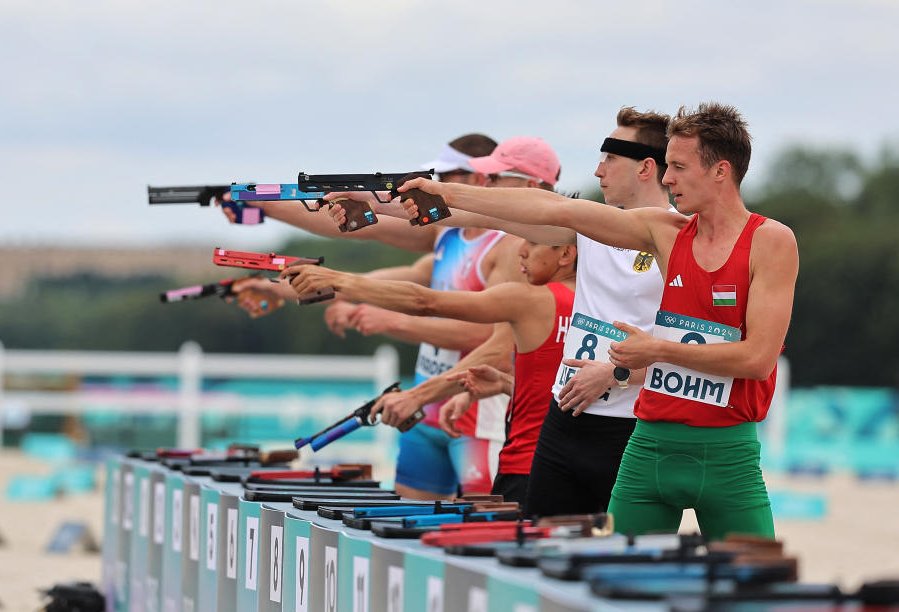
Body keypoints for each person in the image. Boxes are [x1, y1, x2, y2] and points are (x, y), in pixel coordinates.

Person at [397, 103, 798, 539]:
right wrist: (446, 194)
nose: (668, 177)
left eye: (679, 167)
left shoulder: (770, 240)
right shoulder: (662, 230)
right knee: (582, 574)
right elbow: (553, 210)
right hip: (645, 443)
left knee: (750, 587)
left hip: (722, 449)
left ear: (721, 171)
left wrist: (645, 358)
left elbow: (758, 359)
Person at [348, 108, 676, 518]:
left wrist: (618, 373)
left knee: (619, 556)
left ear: (646, 167)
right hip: (566, 419)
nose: (597, 171)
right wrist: (369, 201)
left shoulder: (682, 236)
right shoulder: (594, 226)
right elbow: (482, 214)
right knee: (534, 552)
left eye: (609, 159)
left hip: (634, 427)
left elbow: (696, 353)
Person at [224, 134, 531, 500]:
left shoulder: (508, 247)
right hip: (423, 408)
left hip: (475, 415)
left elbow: (486, 338)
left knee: (479, 535)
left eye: (449, 174)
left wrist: (391, 322)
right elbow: (362, 249)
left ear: (480, 178)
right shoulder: (445, 235)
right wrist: (273, 263)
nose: (437, 183)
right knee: (411, 534)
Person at [288, 237, 576, 504]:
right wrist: (504, 384)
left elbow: (426, 302)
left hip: (518, 456)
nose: (521, 250)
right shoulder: (600, 301)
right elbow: (566, 393)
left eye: (534, 240)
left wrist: (340, 281)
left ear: (566, 253)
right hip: (565, 461)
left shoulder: (528, 296)